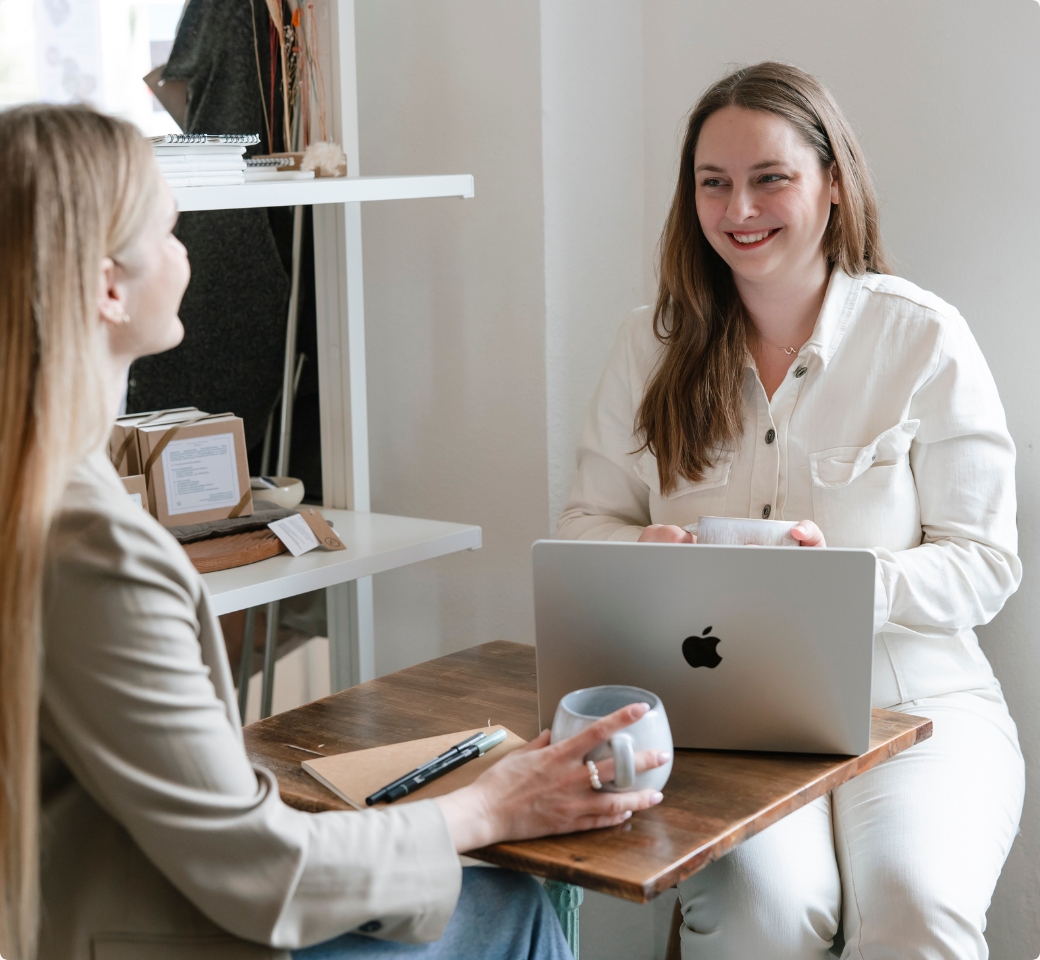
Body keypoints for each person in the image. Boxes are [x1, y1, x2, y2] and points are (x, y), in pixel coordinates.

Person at [0, 104, 670, 960]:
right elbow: (267, 872)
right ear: (105, 286)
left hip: (96, 898)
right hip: (149, 931)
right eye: (169, 231)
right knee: (510, 902)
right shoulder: (93, 548)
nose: (186, 253)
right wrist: (492, 806)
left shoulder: (48, 491)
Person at [557, 61, 1024, 959]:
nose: (740, 210)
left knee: (914, 906)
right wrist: (644, 551)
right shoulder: (646, 346)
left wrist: (842, 586)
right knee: (764, 914)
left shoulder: (922, 336)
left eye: (770, 178)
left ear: (835, 185)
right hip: (727, 717)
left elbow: (985, 561)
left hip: (916, 705)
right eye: (713, 183)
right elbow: (585, 528)